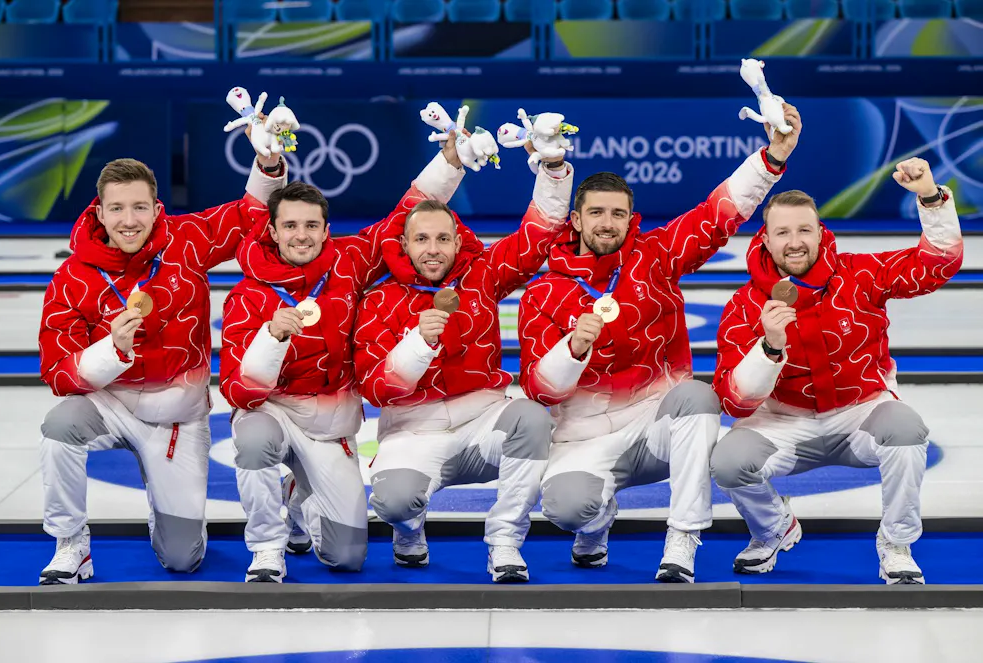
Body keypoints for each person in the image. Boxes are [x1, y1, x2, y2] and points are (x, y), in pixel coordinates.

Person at [518, 105, 801, 583]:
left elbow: (717, 214)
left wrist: (771, 158)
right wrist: (572, 350)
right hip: (584, 437)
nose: (608, 223)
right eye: (597, 213)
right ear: (575, 220)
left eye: (618, 214)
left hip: (658, 427)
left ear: (633, 220)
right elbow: (540, 390)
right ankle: (594, 524)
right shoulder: (543, 292)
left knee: (698, 396)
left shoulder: (656, 256)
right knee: (567, 508)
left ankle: (682, 539)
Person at [36, 130, 287, 585]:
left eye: (139, 208)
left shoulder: (187, 239)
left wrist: (268, 165)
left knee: (182, 559)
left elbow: (246, 215)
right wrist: (112, 351)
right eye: (116, 209)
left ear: (157, 209)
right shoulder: (72, 277)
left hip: (177, 416)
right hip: (108, 405)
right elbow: (57, 371)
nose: (129, 220)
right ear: (99, 213)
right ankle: (71, 543)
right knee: (58, 428)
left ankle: (165, 501)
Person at [220, 134, 469, 583]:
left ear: (325, 230)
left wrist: (449, 161)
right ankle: (266, 547)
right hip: (270, 410)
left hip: (330, 422)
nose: (302, 235)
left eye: (311, 225)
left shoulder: (349, 261)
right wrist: (270, 337)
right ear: (272, 231)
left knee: (347, 557)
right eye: (291, 226)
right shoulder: (245, 296)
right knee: (254, 442)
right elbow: (236, 390)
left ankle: (297, 493)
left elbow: (405, 216)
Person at [710, 157, 963, 584]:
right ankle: (774, 527)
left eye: (804, 230)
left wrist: (930, 197)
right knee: (728, 462)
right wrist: (768, 348)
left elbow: (936, 266)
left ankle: (896, 544)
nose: (795, 242)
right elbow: (736, 401)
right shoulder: (743, 306)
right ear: (765, 240)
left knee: (906, 429)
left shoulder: (860, 274)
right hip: (783, 423)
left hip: (860, 414)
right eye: (783, 232)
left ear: (820, 233)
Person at [352, 146, 574, 583]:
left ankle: (505, 541)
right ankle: (408, 529)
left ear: (458, 241)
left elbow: (536, 238)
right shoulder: (377, 299)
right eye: (421, 239)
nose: (432, 250)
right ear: (404, 245)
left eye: (441, 239)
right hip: (413, 430)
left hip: (483, 420)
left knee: (532, 418)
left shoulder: (483, 273)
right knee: (394, 502)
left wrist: (552, 169)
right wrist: (419, 342)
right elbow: (375, 389)